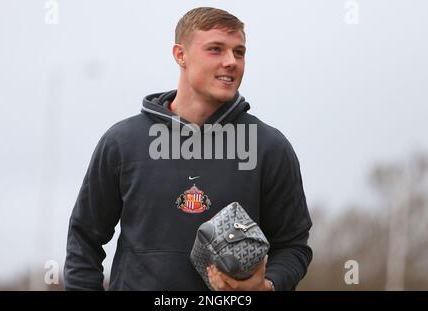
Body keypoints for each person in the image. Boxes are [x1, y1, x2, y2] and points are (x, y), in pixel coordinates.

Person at [64, 7, 312, 291]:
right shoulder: (123, 142)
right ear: (180, 55)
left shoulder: (269, 147)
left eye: (239, 52)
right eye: (216, 49)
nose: (231, 62)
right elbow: (84, 238)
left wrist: (268, 286)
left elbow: (293, 246)